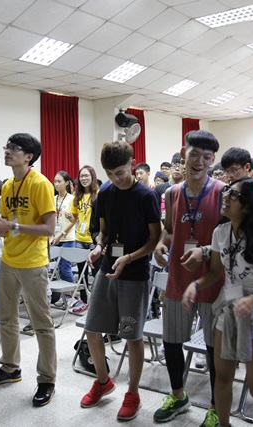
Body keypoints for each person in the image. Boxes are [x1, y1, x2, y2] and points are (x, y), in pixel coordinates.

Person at [182, 177, 253, 427]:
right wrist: (195, 285)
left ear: (248, 206)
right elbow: (214, 273)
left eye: (234, 195)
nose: (226, 197)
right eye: (227, 191)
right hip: (229, 309)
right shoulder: (220, 232)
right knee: (222, 377)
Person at [80, 140, 161, 421]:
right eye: (110, 173)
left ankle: (133, 393)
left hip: (134, 275)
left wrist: (130, 257)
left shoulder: (145, 196)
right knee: (92, 329)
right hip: (107, 269)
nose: (116, 178)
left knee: (131, 335)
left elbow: (155, 239)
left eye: (121, 172)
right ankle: (103, 382)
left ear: (133, 165)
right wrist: (98, 247)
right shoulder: (105, 192)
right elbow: (103, 231)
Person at [153, 130, 225, 425]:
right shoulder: (172, 193)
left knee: (213, 347)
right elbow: (169, 230)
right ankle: (178, 396)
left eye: (206, 157)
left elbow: (231, 240)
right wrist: (161, 244)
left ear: (213, 159)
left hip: (213, 280)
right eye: (194, 155)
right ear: (184, 154)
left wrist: (205, 251)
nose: (199, 162)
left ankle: (216, 406)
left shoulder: (222, 193)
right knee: (171, 341)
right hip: (178, 278)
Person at [0, 133, 57, 408]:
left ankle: (47, 379)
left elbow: (49, 229)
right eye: (7, 146)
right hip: (8, 259)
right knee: (7, 318)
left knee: (42, 324)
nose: (8, 151)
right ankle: (10, 367)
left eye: (15, 148)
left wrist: (12, 226)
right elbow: (6, 220)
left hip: (33, 263)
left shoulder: (40, 184)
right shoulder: (7, 185)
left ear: (29, 156)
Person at [69, 165, 99, 314]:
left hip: (94, 240)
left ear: (92, 177)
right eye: (81, 176)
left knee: (96, 273)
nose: (84, 178)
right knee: (82, 274)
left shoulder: (98, 194)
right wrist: (70, 217)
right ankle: (84, 301)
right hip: (80, 239)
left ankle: (97, 302)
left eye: (87, 176)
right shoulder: (78, 195)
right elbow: (75, 217)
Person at [50, 171, 78, 306]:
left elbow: (74, 220)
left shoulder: (72, 199)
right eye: (55, 181)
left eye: (59, 181)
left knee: (65, 268)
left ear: (67, 183)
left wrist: (61, 233)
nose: (56, 184)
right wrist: (52, 236)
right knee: (58, 269)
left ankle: (73, 297)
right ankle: (65, 296)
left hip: (68, 238)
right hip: (54, 238)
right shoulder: (53, 199)